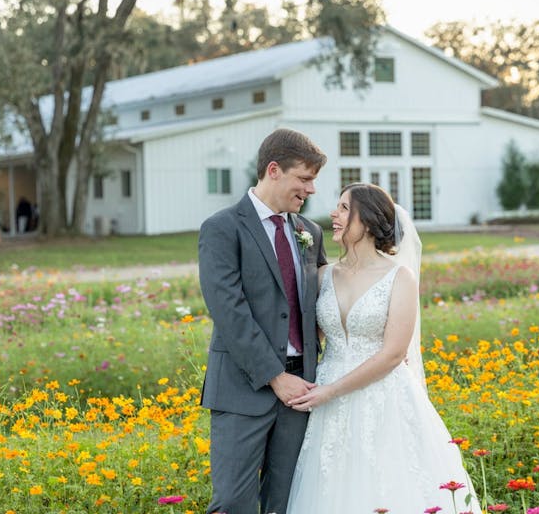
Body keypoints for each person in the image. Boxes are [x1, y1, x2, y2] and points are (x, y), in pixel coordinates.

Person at [286, 183, 481, 513]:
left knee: (387, 482)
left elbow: (392, 354)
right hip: (328, 406)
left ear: (369, 219)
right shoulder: (322, 276)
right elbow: (310, 337)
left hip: (382, 398)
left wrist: (331, 391)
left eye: (345, 208)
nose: (334, 214)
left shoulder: (399, 277)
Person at [198, 128, 328, 514]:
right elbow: (229, 311)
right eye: (304, 179)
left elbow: (327, 302)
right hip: (242, 389)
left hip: (301, 390)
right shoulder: (222, 229)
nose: (311, 190)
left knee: (286, 502)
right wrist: (275, 376)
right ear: (274, 170)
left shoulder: (310, 232)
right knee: (233, 502)